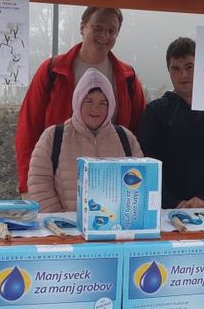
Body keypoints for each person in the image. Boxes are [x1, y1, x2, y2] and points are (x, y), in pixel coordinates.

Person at [15, 7, 146, 194]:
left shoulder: (127, 77)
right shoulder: (52, 70)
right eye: (98, 27)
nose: (105, 35)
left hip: (111, 185)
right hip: (58, 183)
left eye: (111, 30)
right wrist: (27, 186)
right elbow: (28, 127)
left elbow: (138, 131)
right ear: (82, 27)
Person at [138, 37, 204, 209]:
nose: (183, 75)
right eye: (176, 69)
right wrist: (172, 202)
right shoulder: (155, 111)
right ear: (168, 71)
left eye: (190, 67)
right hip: (166, 210)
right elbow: (146, 160)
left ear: (201, 67)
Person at [26, 68, 143, 213]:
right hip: (66, 224)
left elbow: (139, 181)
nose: (96, 108)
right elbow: (39, 182)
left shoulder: (126, 138)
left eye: (103, 103)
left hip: (114, 223)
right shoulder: (53, 137)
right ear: (78, 101)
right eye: (89, 101)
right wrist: (59, 219)